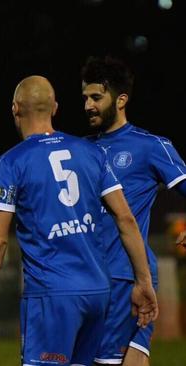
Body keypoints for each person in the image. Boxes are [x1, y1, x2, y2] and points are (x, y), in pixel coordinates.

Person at [0, 76, 157, 365]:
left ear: (15, 109)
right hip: (98, 292)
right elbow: (126, 219)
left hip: (51, 296)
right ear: (55, 107)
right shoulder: (92, 153)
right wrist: (144, 282)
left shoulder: (10, 162)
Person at [82, 56, 186, 365]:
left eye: (96, 97)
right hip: (89, 278)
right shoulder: (81, 150)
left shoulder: (151, 146)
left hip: (127, 277)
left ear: (121, 99)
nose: (88, 105)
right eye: (85, 98)